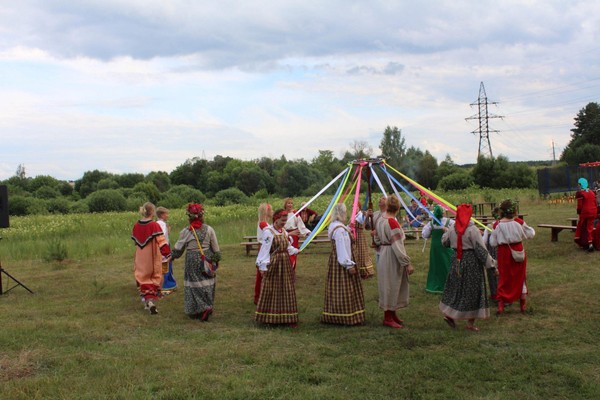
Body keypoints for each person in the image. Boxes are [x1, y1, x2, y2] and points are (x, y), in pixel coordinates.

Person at [439, 204, 496, 331]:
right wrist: (492, 265)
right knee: (473, 291)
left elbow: (445, 243)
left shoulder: (452, 228)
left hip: (456, 261)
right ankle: (470, 324)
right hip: (471, 263)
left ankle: (450, 315)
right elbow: (481, 250)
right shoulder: (473, 230)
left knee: (456, 288)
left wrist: (446, 233)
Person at [171, 203, 221, 321]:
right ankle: (208, 305)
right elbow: (216, 248)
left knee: (194, 284)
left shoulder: (186, 231)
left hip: (192, 259)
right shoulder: (209, 229)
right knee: (207, 282)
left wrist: (172, 256)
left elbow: (179, 249)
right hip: (207, 258)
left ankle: (201, 308)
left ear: (189, 217)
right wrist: (216, 260)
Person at [321, 203, 365, 325]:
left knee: (336, 288)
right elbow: (343, 247)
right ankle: (345, 316)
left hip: (335, 261)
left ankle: (334, 314)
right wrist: (349, 265)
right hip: (342, 262)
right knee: (345, 288)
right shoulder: (340, 230)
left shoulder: (334, 226)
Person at [374, 195, 414, 329]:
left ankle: (392, 313)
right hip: (391, 254)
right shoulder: (392, 222)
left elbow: (377, 238)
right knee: (391, 283)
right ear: (397, 208)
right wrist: (406, 262)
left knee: (390, 283)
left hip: (383, 253)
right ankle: (388, 317)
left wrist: (378, 244)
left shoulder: (381, 219)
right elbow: (397, 245)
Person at [490, 199, 535, 315]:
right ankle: (522, 306)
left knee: (504, 277)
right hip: (518, 251)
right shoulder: (519, 222)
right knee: (520, 277)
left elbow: (492, 243)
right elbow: (531, 234)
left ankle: (501, 307)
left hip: (504, 253)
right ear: (514, 210)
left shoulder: (497, 225)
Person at [255, 209, 299, 327]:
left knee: (287, 289)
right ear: (276, 219)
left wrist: (295, 250)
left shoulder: (283, 231)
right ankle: (270, 317)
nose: (284, 222)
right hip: (274, 263)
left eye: (285, 220)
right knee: (272, 289)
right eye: (282, 220)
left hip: (285, 264)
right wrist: (263, 266)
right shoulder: (269, 232)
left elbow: (288, 247)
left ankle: (288, 317)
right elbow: (265, 249)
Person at [131, 202, 171, 315]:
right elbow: (162, 241)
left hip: (140, 256)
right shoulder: (154, 225)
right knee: (153, 277)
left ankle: (147, 302)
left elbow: (135, 241)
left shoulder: (136, 225)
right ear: (152, 212)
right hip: (152, 256)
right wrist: (168, 254)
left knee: (142, 277)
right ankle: (150, 302)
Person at [421, 204, 454, 294]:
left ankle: (435, 284)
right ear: (443, 212)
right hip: (446, 247)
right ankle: (449, 285)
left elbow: (424, 235)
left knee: (436, 265)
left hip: (435, 248)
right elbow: (456, 230)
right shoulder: (449, 221)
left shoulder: (431, 223)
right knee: (447, 264)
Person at [283, 198, 311, 270]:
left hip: (294, 235)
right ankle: (286, 271)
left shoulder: (295, 213)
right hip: (284, 235)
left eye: (291, 203)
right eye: (288, 203)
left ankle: (292, 271)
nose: (290, 205)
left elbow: (300, 224)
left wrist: (307, 232)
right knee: (285, 253)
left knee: (293, 253)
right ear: (285, 204)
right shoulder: (282, 213)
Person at [254, 202, 273, 305]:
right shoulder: (263, 224)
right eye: (271, 210)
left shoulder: (264, 223)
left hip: (264, 248)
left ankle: (260, 296)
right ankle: (259, 297)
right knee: (262, 273)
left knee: (262, 274)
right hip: (264, 249)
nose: (272, 212)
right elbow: (272, 234)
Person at [156, 206, 177, 294]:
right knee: (166, 266)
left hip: (158, 248)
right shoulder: (162, 224)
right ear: (161, 215)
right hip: (164, 247)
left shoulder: (156, 223)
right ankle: (166, 285)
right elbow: (162, 236)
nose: (167, 216)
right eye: (166, 214)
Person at [481, 207, 501, 301]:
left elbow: (484, 241)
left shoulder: (489, 227)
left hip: (493, 253)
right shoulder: (508, 224)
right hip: (503, 252)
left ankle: (495, 294)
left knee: (492, 273)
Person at [574, 177, 597, 252]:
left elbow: (580, 206)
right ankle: (590, 244)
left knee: (582, 228)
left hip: (585, 212)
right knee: (590, 228)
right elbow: (595, 202)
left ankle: (584, 243)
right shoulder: (591, 192)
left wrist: (579, 213)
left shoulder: (581, 193)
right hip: (593, 211)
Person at [353, 204, 375, 279]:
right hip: (355, 235)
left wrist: (367, 215)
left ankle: (365, 271)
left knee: (362, 252)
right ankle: (359, 270)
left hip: (360, 236)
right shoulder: (355, 215)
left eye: (356, 206)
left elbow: (364, 223)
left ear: (359, 207)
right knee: (357, 252)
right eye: (353, 206)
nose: (354, 208)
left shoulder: (361, 215)